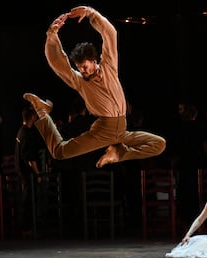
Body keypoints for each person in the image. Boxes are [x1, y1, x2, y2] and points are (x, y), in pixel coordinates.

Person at [23, 6, 166, 169]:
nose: (81, 70)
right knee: (59, 152)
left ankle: (118, 153)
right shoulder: (80, 81)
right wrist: (51, 34)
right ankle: (42, 112)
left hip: (122, 129)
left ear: (94, 61)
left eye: (84, 66)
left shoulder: (109, 67)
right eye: (78, 67)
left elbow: (110, 34)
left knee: (159, 144)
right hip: (104, 131)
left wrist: (91, 13)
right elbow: (58, 63)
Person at [14, 106, 46, 236]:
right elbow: (29, 157)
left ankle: (27, 227)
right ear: (32, 117)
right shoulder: (26, 133)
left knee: (28, 198)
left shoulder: (20, 132)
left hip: (22, 171)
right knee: (29, 199)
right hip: (27, 172)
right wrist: (37, 173)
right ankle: (27, 228)